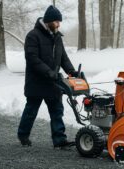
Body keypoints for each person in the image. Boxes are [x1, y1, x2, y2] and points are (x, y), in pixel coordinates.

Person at [17, 5, 79, 148]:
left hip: (53, 82)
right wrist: (48, 72)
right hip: (37, 82)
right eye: (57, 21)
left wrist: (72, 71)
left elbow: (63, 57)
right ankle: (23, 135)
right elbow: (32, 58)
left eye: (59, 22)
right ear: (49, 21)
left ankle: (59, 140)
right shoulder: (33, 35)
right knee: (31, 111)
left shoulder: (57, 37)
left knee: (57, 111)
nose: (58, 24)